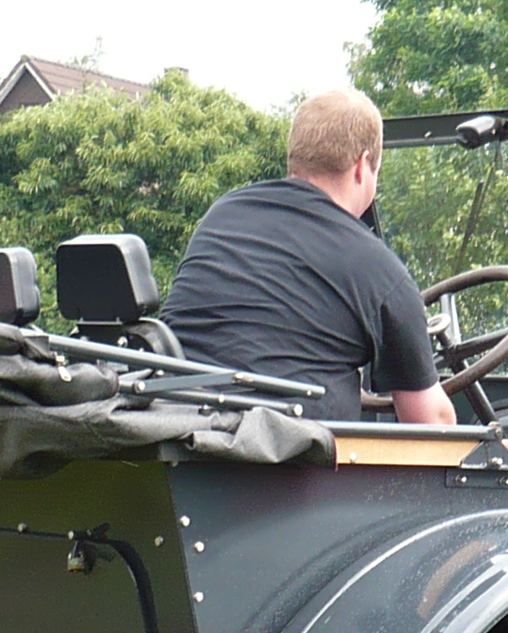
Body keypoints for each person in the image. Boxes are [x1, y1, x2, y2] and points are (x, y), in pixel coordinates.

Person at [163, 88, 456, 425]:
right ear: (363, 166)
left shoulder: (224, 215)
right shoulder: (376, 267)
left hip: (177, 431)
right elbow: (432, 425)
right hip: (287, 453)